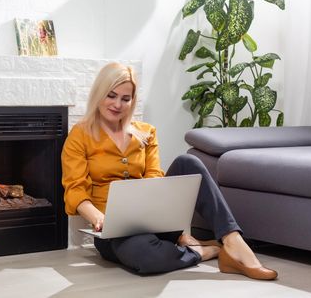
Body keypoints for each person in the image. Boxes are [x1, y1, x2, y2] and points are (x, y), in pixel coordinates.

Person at [61, 62, 278, 280]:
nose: (118, 104)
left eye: (125, 99)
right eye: (111, 95)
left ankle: (233, 242)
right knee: (145, 255)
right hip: (114, 233)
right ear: (99, 93)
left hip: (155, 219)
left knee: (188, 162)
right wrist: (99, 219)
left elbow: (155, 178)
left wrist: (157, 215)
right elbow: (75, 190)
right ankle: (201, 251)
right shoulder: (80, 135)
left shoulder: (145, 133)